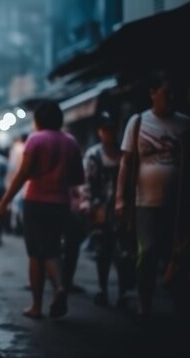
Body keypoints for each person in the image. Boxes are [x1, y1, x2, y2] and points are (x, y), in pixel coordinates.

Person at [0, 100, 84, 319]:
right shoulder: (71, 141)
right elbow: (77, 178)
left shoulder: (36, 139)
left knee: (37, 253)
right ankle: (58, 288)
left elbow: (23, 174)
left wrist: (4, 202)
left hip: (36, 202)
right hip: (61, 203)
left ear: (39, 120)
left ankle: (42, 301)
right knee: (53, 247)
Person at [115, 74, 190, 319]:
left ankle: (179, 303)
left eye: (173, 93)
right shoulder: (138, 123)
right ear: (153, 93)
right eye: (165, 92)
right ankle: (144, 302)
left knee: (176, 254)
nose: (170, 97)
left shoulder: (184, 124)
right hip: (144, 202)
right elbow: (126, 163)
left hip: (178, 205)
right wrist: (120, 198)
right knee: (147, 252)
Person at [81, 113, 129, 307]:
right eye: (105, 129)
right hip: (100, 209)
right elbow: (86, 183)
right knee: (103, 252)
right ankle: (103, 289)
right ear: (100, 132)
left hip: (121, 209)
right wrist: (88, 204)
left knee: (123, 252)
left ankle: (123, 292)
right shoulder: (93, 155)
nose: (109, 133)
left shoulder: (124, 153)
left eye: (112, 129)